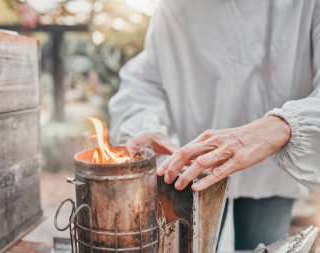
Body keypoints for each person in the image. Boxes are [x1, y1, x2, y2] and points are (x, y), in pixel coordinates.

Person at [108, 0, 320, 250]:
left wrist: (283, 126)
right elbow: (146, 80)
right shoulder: (175, 8)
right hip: (192, 171)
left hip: (272, 169)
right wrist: (143, 126)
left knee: (262, 243)